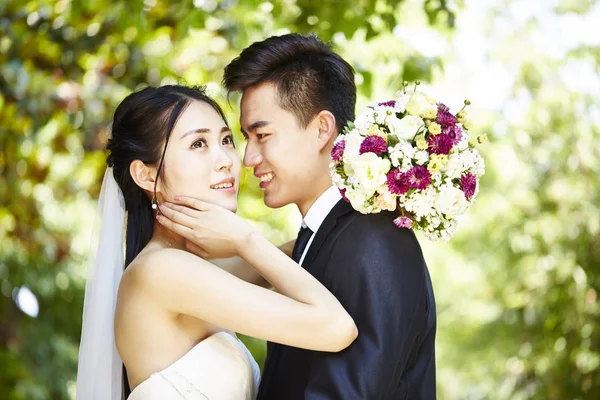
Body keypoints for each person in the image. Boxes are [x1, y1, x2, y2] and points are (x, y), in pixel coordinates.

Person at [161, 33, 438, 399]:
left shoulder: (373, 241)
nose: (248, 159)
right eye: (246, 138)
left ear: (322, 128)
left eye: (262, 135)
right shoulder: (318, 239)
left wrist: (244, 240)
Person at [75, 84, 358, 400]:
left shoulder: (192, 267)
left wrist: (374, 197)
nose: (226, 159)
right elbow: (336, 328)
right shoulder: (160, 271)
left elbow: (303, 249)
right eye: (198, 143)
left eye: (226, 140)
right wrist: (244, 239)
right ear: (144, 175)